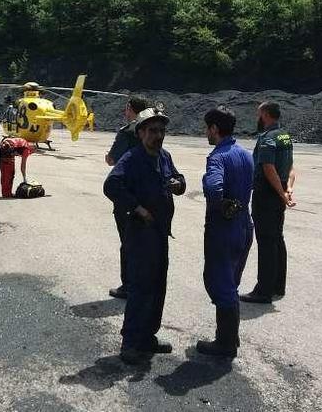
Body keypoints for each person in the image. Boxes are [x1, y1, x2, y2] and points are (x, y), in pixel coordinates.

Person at [103, 107, 186, 365]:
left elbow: (179, 179)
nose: (158, 135)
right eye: (153, 131)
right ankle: (130, 342)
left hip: (160, 232)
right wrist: (137, 207)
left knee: (158, 286)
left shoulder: (164, 156)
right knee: (140, 287)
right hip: (140, 234)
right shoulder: (132, 158)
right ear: (140, 133)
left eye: (162, 131)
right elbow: (111, 185)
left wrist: (178, 184)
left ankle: (148, 336)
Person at [195, 107, 254, 358]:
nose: (206, 133)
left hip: (224, 228)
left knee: (220, 282)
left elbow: (214, 186)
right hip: (244, 225)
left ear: (214, 129)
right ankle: (231, 338)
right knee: (232, 281)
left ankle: (226, 343)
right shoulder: (245, 154)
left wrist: (219, 202)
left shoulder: (218, 157)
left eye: (207, 128)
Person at [240, 102, 297, 304]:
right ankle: (277, 285)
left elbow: (268, 167)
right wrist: (288, 188)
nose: (258, 118)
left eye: (259, 114)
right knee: (277, 239)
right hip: (278, 191)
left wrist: (281, 194)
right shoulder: (285, 135)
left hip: (267, 194)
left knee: (266, 241)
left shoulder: (268, 138)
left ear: (265, 114)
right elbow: (291, 166)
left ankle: (263, 291)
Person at [105, 96, 150, 300]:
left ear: (131, 109)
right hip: (148, 194)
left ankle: (129, 285)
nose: (125, 111)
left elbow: (113, 159)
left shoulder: (126, 132)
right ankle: (144, 281)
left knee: (128, 241)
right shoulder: (151, 130)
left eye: (126, 108)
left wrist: (108, 156)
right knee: (145, 240)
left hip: (127, 195)